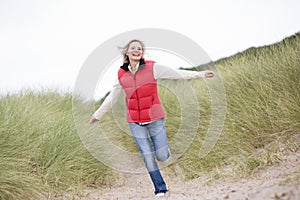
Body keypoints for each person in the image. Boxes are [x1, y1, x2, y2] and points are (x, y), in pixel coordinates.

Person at [89, 39, 215, 197]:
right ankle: (160, 188)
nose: (137, 50)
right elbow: (112, 97)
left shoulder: (152, 67)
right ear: (127, 53)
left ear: (142, 52)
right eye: (133, 48)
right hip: (135, 122)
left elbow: (176, 74)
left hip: (155, 119)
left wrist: (199, 74)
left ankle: (164, 151)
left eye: (140, 48)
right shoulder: (121, 74)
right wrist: (97, 115)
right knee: (147, 156)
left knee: (162, 156)